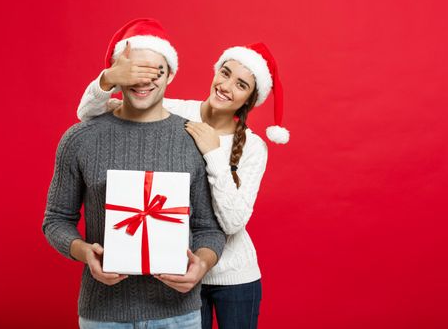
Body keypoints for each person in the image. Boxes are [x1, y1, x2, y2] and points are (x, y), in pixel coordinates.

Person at [77, 34, 289, 328]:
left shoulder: (254, 147)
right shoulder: (174, 112)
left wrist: (213, 154)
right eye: (225, 73)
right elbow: (88, 115)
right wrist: (108, 78)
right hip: (177, 272)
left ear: (250, 100)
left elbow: (233, 223)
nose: (226, 87)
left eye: (241, 85)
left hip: (234, 276)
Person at [42, 18, 226, 329]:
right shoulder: (80, 138)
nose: (143, 81)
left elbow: (209, 228)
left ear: (170, 75)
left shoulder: (193, 139)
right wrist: (84, 252)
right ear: (117, 75)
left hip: (178, 314)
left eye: (155, 71)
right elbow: (56, 219)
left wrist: (203, 264)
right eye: (133, 71)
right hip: (103, 314)